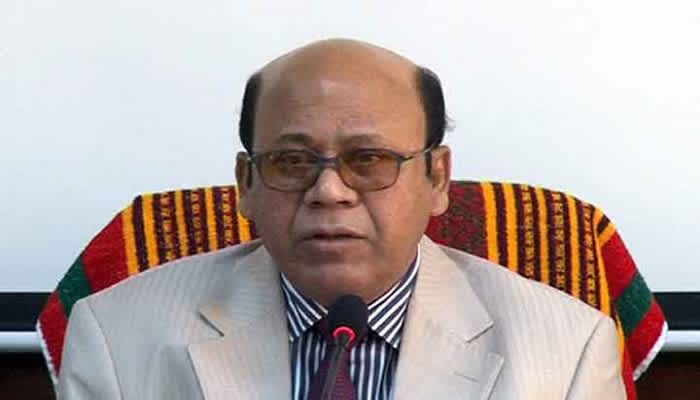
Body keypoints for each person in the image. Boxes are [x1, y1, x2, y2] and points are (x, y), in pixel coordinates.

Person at [58, 39, 625, 399]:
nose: (328, 192)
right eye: (291, 161)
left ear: (438, 179)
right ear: (246, 184)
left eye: (368, 160)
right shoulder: (118, 336)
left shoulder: (566, 352)